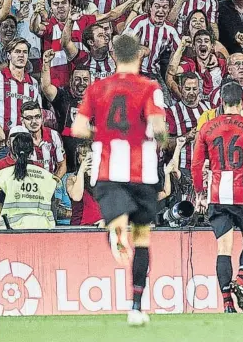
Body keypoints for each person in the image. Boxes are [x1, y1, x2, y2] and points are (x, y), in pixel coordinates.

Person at [71, 34, 168, 326]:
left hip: (108, 169)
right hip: (142, 171)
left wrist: (102, 135)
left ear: (113, 56)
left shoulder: (97, 87)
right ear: (139, 55)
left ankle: (115, 228)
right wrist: (159, 139)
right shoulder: (150, 87)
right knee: (142, 238)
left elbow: (77, 128)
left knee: (119, 219)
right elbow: (159, 129)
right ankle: (136, 306)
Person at [191, 82, 243, 313]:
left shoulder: (206, 127)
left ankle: (227, 303)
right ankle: (240, 280)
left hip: (217, 193)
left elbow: (196, 165)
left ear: (221, 102)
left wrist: (199, 192)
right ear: (242, 102)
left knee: (223, 248)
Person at [41, 50, 90, 172]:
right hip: (66, 165)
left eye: (85, 79)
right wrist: (46, 63)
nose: (82, 83)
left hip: (90, 164)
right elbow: (46, 88)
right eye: (78, 79)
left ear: (90, 82)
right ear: (71, 81)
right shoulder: (63, 96)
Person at [0, 132, 57, 229]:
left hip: (11, 229)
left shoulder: (4, 175)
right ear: (32, 151)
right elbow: (52, 205)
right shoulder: (47, 176)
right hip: (43, 228)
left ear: (14, 149)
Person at [0, 38, 42, 139]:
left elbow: (38, 114)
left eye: (25, 52)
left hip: (25, 142)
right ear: (8, 55)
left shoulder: (33, 83)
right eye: (17, 52)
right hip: (1, 142)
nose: (21, 55)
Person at [20, 101, 67, 179]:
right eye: (29, 118)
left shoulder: (54, 135)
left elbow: (62, 165)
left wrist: (53, 184)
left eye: (37, 116)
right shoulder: (18, 138)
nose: (34, 121)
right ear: (22, 120)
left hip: (49, 186)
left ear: (42, 118)